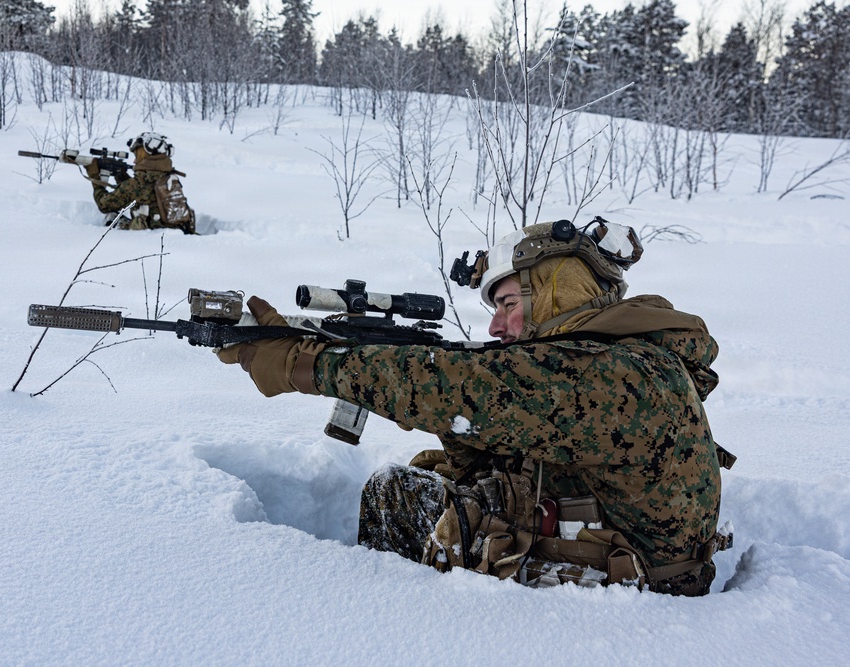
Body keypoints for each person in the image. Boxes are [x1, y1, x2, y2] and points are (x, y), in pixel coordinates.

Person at [216, 218, 733, 596]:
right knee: (431, 482)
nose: (495, 327)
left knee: (400, 496)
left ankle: (383, 625)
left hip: (640, 606)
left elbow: (465, 389)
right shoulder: (610, 365)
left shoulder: (628, 375)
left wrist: (307, 366)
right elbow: (511, 425)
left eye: (509, 304)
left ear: (558, 293)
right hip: (617, 559)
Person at [86, 131, 196, 233]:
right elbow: (142, 194)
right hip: (175, 230)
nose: (134, 160)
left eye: (138, 155)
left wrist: (94, 178)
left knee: (111, 217)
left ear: (146, 154)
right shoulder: (169, 177)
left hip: (150, 238)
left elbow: (104, 205)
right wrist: (121, 176)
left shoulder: (138, 184)